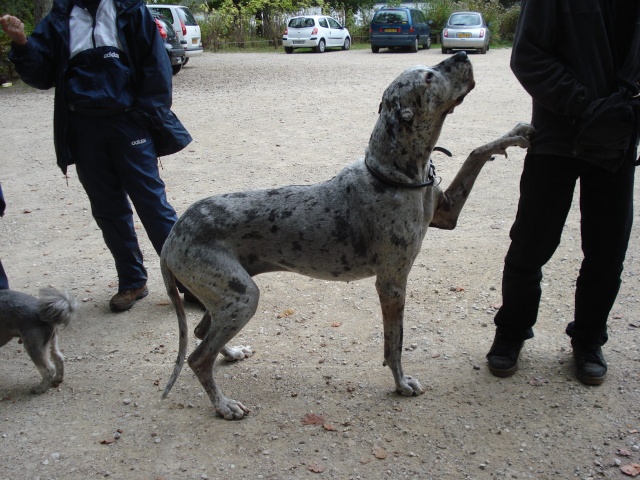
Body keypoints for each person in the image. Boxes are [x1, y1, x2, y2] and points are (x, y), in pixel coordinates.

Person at [0, 0, 197, 312]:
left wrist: (144, 117)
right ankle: (132, 280)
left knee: (153, 205)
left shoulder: (130, 10)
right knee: (108, 209)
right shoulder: (61, 17)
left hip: (129, 122)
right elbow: (42, 76)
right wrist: (22, 42)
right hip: (83, 126)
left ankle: (190, 283)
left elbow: (156, 67)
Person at [486, 1, 640, 385]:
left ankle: (588, 340)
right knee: (530, 244)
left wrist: (621, 112)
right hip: (558, 137)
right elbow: (528, 56)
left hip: (618, 140)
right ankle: (511, 331)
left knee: (607, 251)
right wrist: (585, 105)